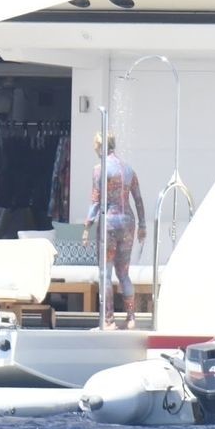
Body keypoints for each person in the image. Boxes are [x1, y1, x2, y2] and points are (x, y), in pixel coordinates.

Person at [85, 132, 147, 329]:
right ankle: (131, 317)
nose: (94, 149)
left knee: (105, 273)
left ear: (100, 146)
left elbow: (96, 200)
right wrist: (143, 225)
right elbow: (138, 199)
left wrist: (87, 226)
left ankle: (109, 320)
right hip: (128, 222)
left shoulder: (99, 169)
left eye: (95, 146)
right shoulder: (128, 169)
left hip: (109, 223)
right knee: (124, 273)